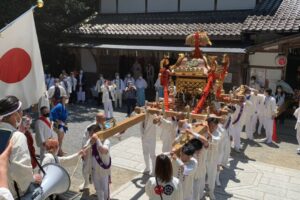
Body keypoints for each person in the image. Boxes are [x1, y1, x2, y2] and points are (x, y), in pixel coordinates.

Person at [0, 96, 41, 198]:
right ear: (15, 115)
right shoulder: (18, 137)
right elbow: (21, 171)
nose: (22, 114)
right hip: (12, 194)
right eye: (21, 111)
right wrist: (32, 178)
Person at [79, 112, 107, 190]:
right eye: (103, 119)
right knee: (85, 168)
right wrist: (84, 151)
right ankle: (86, 183)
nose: (105, 120)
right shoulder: (90, 127)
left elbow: (110, 133)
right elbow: (85, 139)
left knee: (97, 170)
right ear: (98, 119)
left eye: (105, 118)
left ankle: (97, 187)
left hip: (100, 150)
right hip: (89, 150)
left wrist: (119, 134)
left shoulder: (105, 126)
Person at [89, 126, 112, 200]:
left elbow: (103, 151)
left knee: (105, 190)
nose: (90, 137)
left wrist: (97, 140)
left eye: (92, 135)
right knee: (98, 190)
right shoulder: (91, 141)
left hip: (103, 172)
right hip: (95, 171)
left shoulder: (106, 141)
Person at [205, 117, 222, 200]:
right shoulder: (203, 131)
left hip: (212, 159)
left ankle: (211, 192)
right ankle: (201, 192)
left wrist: (208, 133)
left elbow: (215, 141)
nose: (213, 128)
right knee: (200, 176)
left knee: (212, 176)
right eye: (211, 125)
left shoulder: (218, 133)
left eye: (215, 126)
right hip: (203, 158)